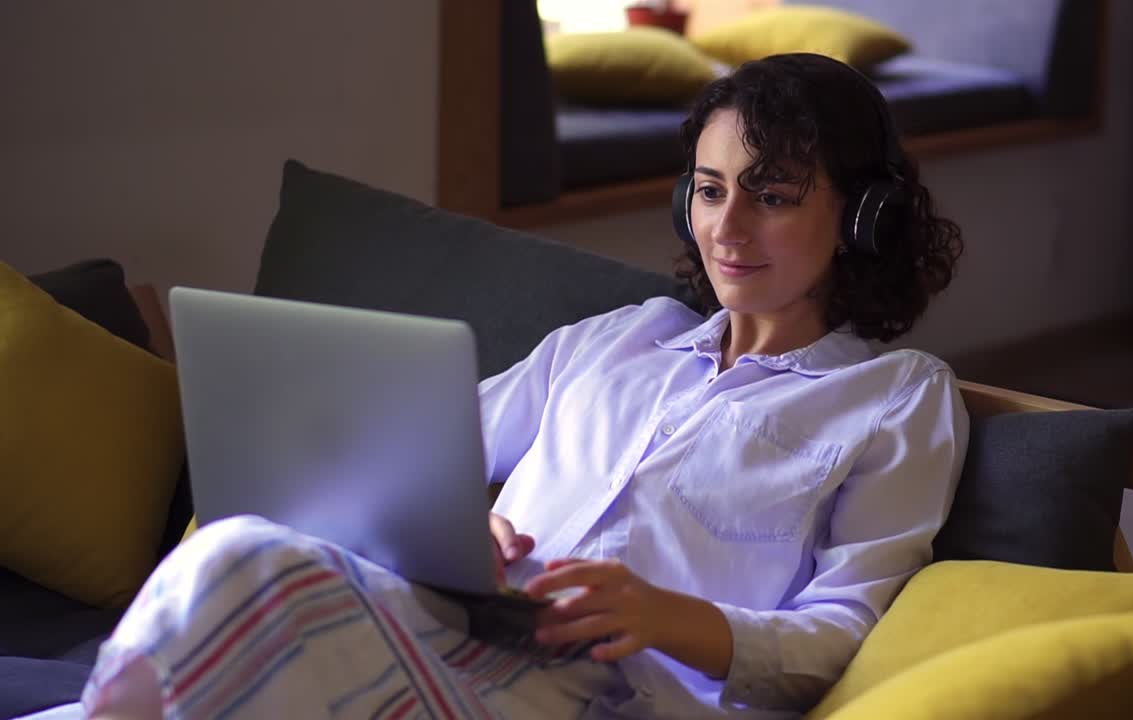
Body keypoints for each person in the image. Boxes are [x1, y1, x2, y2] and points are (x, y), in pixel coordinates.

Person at [84, 53, 967, 720]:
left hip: (627, 692)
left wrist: (663, 616)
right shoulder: (619, 341)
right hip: (469, 635)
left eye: (771, 195)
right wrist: (452, 524)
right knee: (235, 554)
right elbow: (409, 451)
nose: (726, 227)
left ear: (862, 217)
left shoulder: (894, 397)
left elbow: (843, 635)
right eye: (708, 190)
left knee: (243, 571)